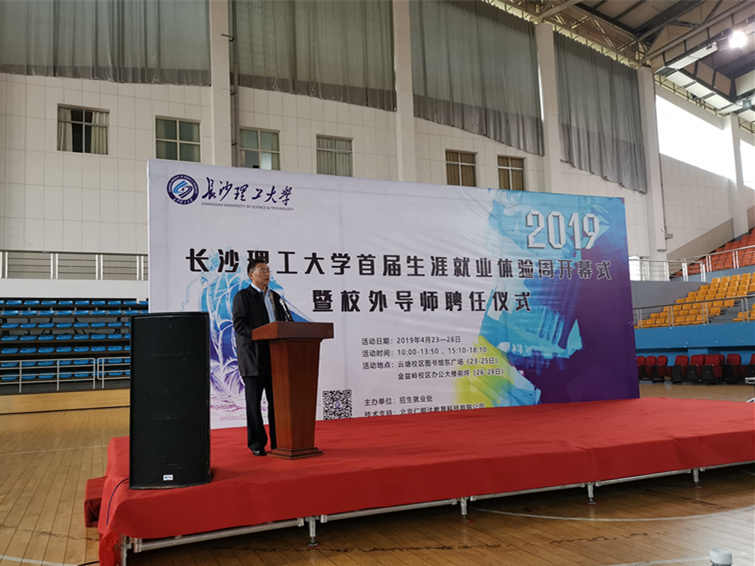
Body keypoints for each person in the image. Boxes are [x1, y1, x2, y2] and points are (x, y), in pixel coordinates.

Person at [232, 259, 291, 456]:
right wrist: (263, 334)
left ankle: (279, 441)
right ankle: (257, 444)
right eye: (262, 271)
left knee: (278, 403)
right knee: (254, 405)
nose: (267, 274)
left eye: (268, 271)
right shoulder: (243, 296)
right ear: (251, 275)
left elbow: (284, 323)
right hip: (253, 357)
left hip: (276, 357)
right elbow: (240, 325)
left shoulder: (276, 297)